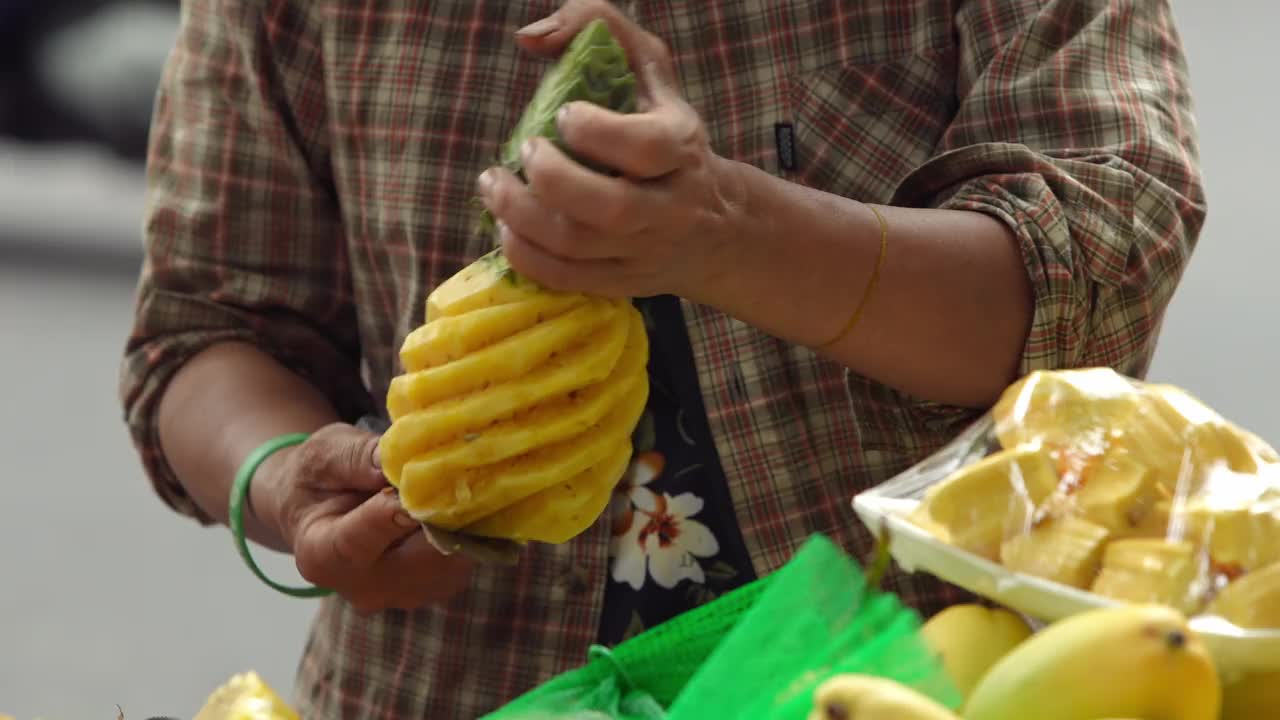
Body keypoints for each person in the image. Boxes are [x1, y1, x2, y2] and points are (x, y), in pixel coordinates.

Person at [118, 0, 1206, 716]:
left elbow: (1104, 264)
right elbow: (208, 323)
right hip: (449, 682)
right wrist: (286, 481)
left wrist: (728, 230)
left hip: (921, 675)